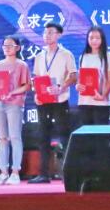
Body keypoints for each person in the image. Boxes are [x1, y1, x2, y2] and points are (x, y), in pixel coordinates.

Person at [30, 21, 77, 184]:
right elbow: (36, 78)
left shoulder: (66, 54)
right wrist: (36, 93)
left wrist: (61, 87)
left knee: (64, 135)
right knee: (43, 136)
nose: (47, 35)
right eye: (45, 33)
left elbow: (73, 76)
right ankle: (43, 174)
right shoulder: (39, 55)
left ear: (59, 35)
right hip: (43, 101)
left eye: (51, 32)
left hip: (60, 100)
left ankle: (67, 173)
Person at [0, 34, 29, 186]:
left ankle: (15, 172)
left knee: (15, 137)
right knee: (2, 138)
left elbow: (26, 86)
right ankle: (3, 172)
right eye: (5, 45)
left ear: (17, 48)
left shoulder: (21, 65)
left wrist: (12, 93)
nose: (7, 48)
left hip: (14, 103)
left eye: (10, 45)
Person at [77, 25, 110, 126]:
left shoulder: (109, 56)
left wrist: (103, 95)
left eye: (97, 38)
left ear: (102, 39)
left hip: (101, 102)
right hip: (84, 102)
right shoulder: (83, 57)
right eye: (91, 38)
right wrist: (78, 86)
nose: (94, 41)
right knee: (86, 133)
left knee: (100, 133)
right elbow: (80, 78)